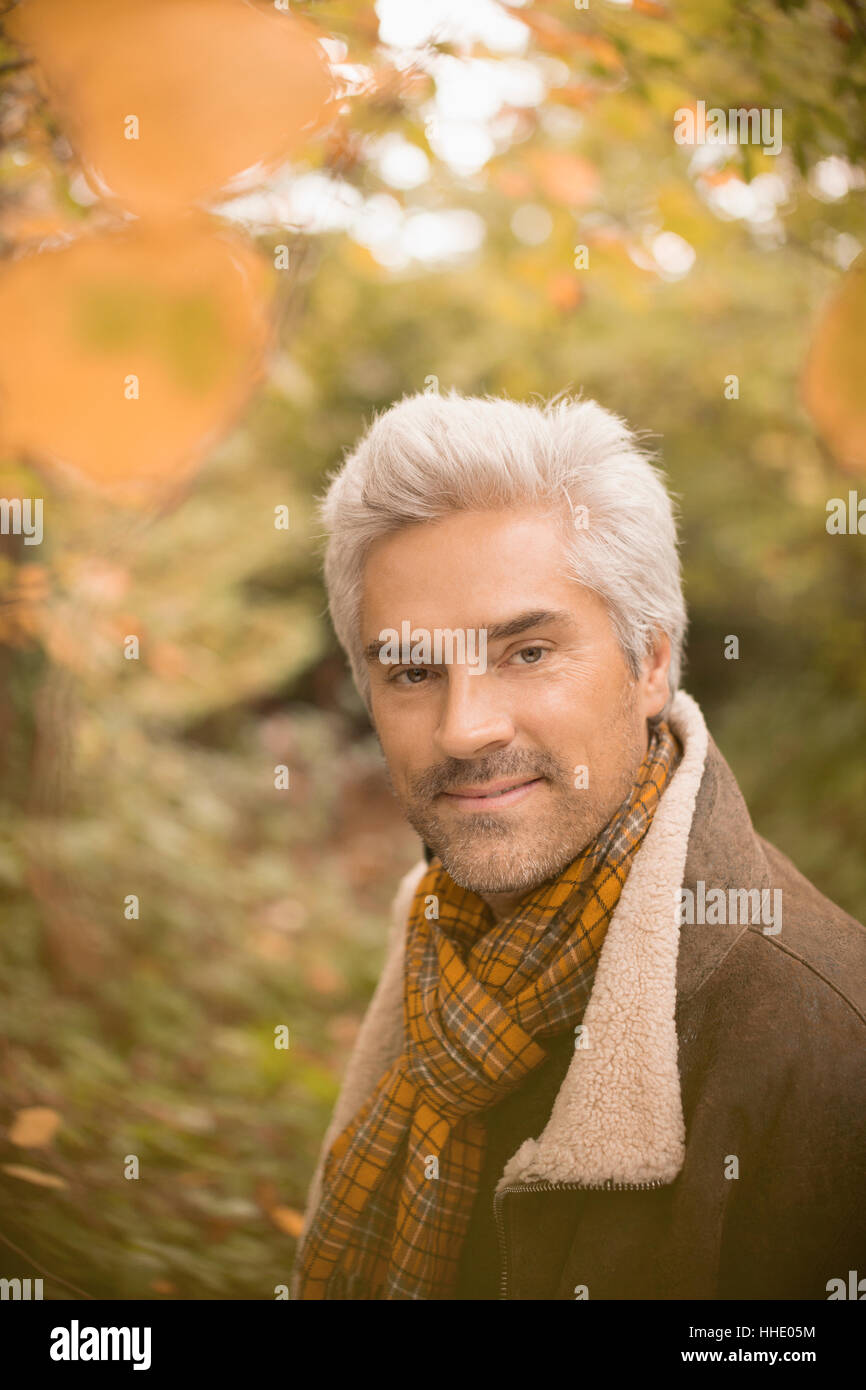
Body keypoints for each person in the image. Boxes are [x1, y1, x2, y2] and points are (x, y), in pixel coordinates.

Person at [291, 389, 866, 1300]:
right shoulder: (441, 925)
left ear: (650, 664)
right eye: (412, 671)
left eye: (526, 653)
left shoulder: (826, 1045)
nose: (465, 730)